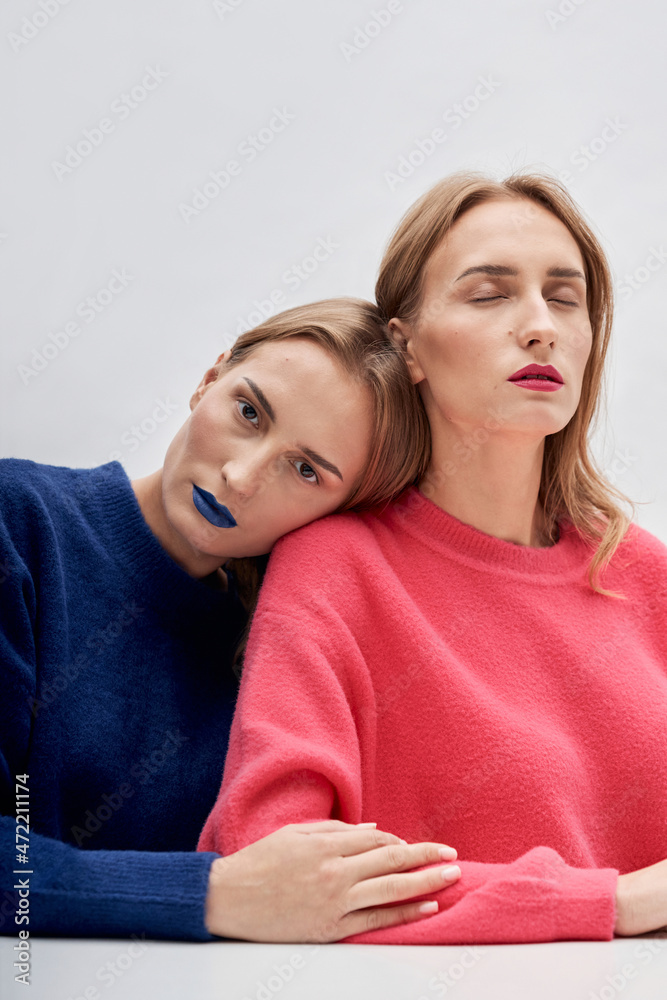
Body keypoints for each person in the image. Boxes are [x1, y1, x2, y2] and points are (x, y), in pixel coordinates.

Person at [198, 174, 667, 944]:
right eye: (488, 295)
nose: (540, 327)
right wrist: (605, 903)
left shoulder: (642, 574)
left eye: (564, 298)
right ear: (406, 345)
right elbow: (268, 864)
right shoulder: (334, 569)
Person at [0, 298, 462, 944]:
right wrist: (212, 894)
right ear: (209, 379)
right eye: (248, 412)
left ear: (336, 518)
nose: (241, 479)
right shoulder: (19, 523)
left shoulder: (287, 644)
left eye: (306, 470)